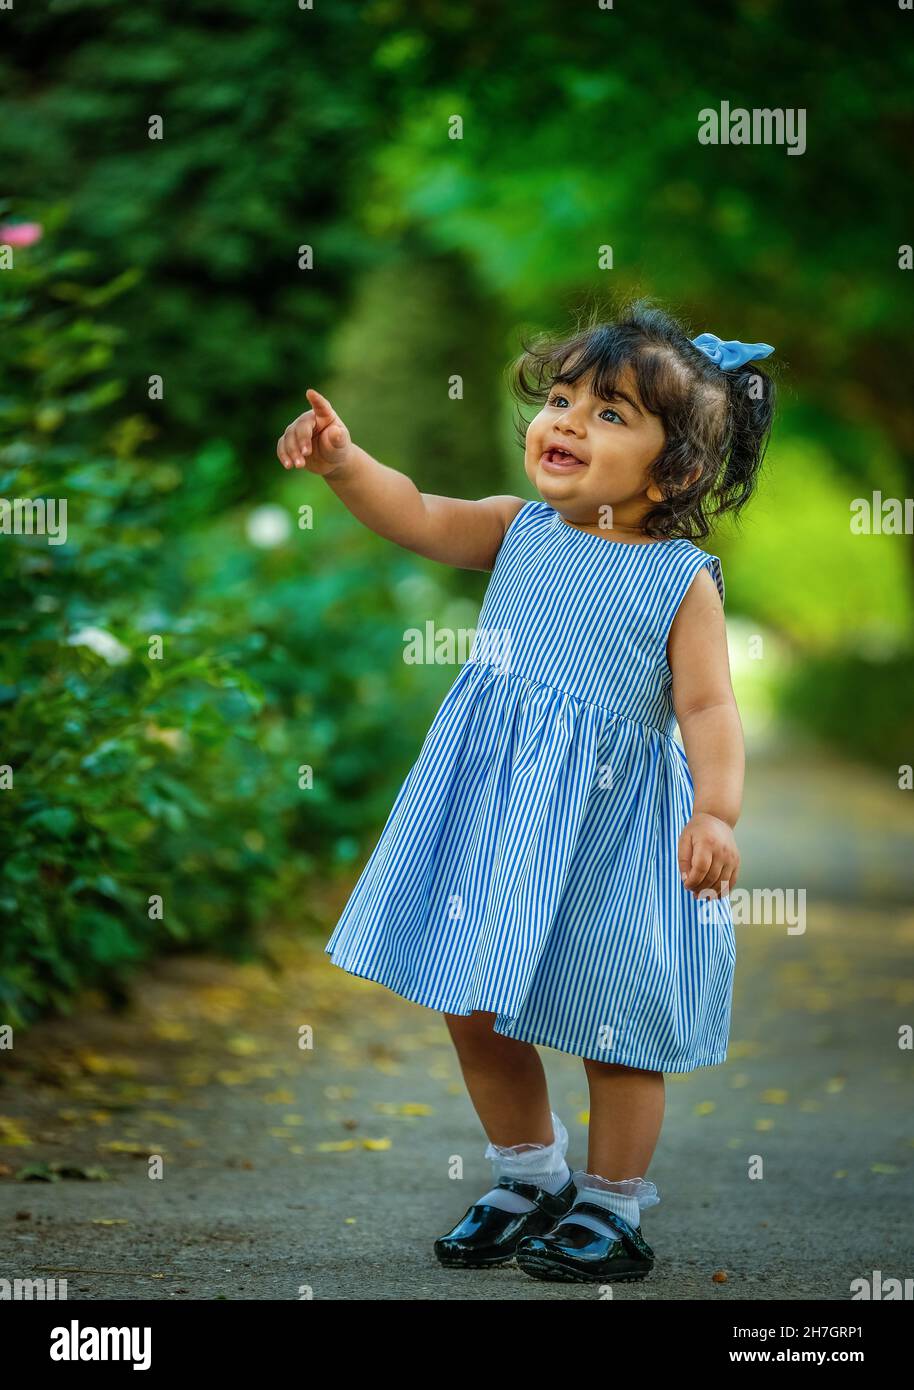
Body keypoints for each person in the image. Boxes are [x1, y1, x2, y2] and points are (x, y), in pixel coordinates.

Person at [276, 297, 777, 1283]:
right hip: (496, 815)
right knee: (471, 999)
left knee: (612, 1015)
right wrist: (344, 464)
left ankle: (609, 1202)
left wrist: (712, 813)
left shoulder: (679, 579)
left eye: (607, 415)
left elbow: (711, 710)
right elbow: (416, 514)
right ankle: (527, 1173)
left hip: (610, 830)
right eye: (558, 399)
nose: (563, 422)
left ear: (671, 469)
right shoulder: (518, 531)